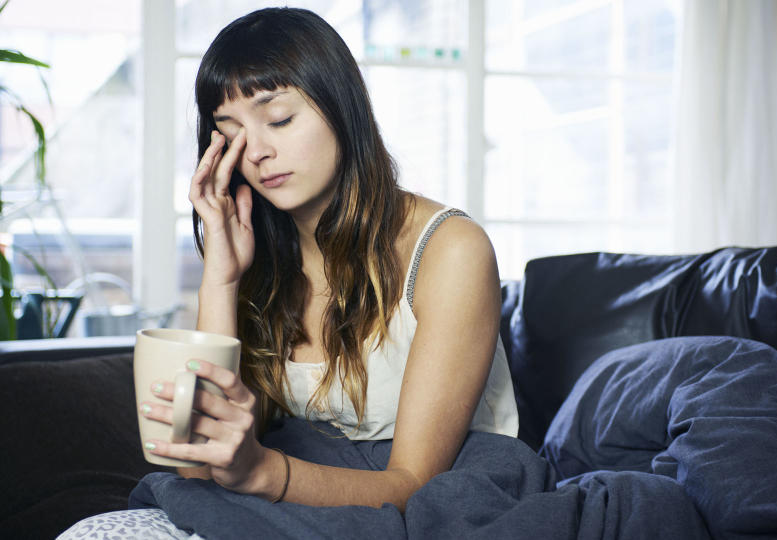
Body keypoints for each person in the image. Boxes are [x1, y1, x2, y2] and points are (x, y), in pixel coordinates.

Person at [59, 7, 517, 538]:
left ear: (342, 107)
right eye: (230, 133)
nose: (256, 151)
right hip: (300, 494)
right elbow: (194, 461)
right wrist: (222, 279)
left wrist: (260, 470)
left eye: (278, 119)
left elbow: (413, 484)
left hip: (428, 505)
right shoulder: (264, 257)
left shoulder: (451, 250)